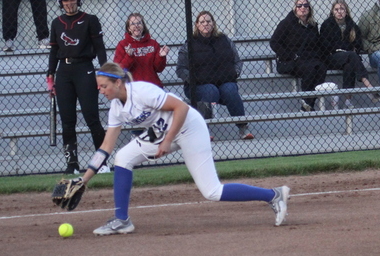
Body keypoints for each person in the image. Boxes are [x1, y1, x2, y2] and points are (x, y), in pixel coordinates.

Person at [75, 61, 289, 235]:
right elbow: (106, 146)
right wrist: (84, 180)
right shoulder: (116, 108)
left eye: (103, 85)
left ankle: (273, 195)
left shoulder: (141, 92)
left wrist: (167, 141)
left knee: (212, 191)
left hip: (189, 128)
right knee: (122, 157)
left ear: (118, 83)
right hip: (162, 134)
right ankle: (122, 220)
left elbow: (181, 107)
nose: (100, 90)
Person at [46, 0, 108, 175]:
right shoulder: (56, 23)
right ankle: (72, 164)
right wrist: (50, 73)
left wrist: (104, 70)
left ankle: (101, 162)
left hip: (84, 69)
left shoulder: (90, 20)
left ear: (78, 0)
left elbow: (99, 47)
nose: (69, 3)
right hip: (64, 71)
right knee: (67, 120)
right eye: (65, 0)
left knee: (92, 117)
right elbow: (54, 50)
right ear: (61, 3)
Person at [176, 11, 254, 140]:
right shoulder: (189, 44)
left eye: (208, 21)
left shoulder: (224, 40)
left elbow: (237, 61)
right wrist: (193, 80)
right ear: (197, 25)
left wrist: (235, 73)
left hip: (223, 82)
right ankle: (203, 130)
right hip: (198, 86)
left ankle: (243, 128)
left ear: (213, 24)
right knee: (210, 90)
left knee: (230, 89)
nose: (205, 24)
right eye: (202, 22)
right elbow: (180, 69)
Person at [270, 0, 327, 112]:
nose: (303, 8)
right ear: (295, 8)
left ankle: (309, 103)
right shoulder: (286, 23)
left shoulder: (313, 25)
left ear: (309, 9)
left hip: (310, 59)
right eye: (299, 5)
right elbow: (274, 42)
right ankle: (306, 103)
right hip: (291, 61)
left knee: (321, 67)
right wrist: (290, 55)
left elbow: (317, 45)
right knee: (310, 69)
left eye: (306, 5)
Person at [320, 0, 377, 109]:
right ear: (332, 11)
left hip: (348, 58)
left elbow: (358, 44)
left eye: (342, 9)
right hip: (331, 58)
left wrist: (343, 48)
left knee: (349, 65)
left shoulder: (351, 25)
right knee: (351, 55)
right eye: (336, 9)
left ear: (346, 11)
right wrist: (345, 48)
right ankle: (368, 85)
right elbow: (326, 46)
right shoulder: (326, 25)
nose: (339, 11)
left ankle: (348, 101)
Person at [113, 13, 169, 87]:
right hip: (132, 88)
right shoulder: (122, 45)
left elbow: (159, 69)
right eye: (132, 24)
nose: (136, 26)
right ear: (129, 28)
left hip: (152, 87)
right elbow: (119, 70)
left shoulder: (153, 43)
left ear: (143, 26)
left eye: (139, 23)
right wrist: (129, 56)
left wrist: (161, 56)